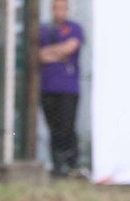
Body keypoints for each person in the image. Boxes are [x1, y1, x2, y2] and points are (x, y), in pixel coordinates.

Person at [38, 0, 83, 178]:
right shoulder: (44, 29)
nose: (60, 12)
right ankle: (57, 165)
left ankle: (71, 162)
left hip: (68, 88)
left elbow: (70, 48)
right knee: (53, 127)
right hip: (48, 86)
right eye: (57, 8)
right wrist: (59, 52)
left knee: (67, 125)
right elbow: (39, 55)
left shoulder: (75, 28)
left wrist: (52, 52)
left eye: (63, 8)